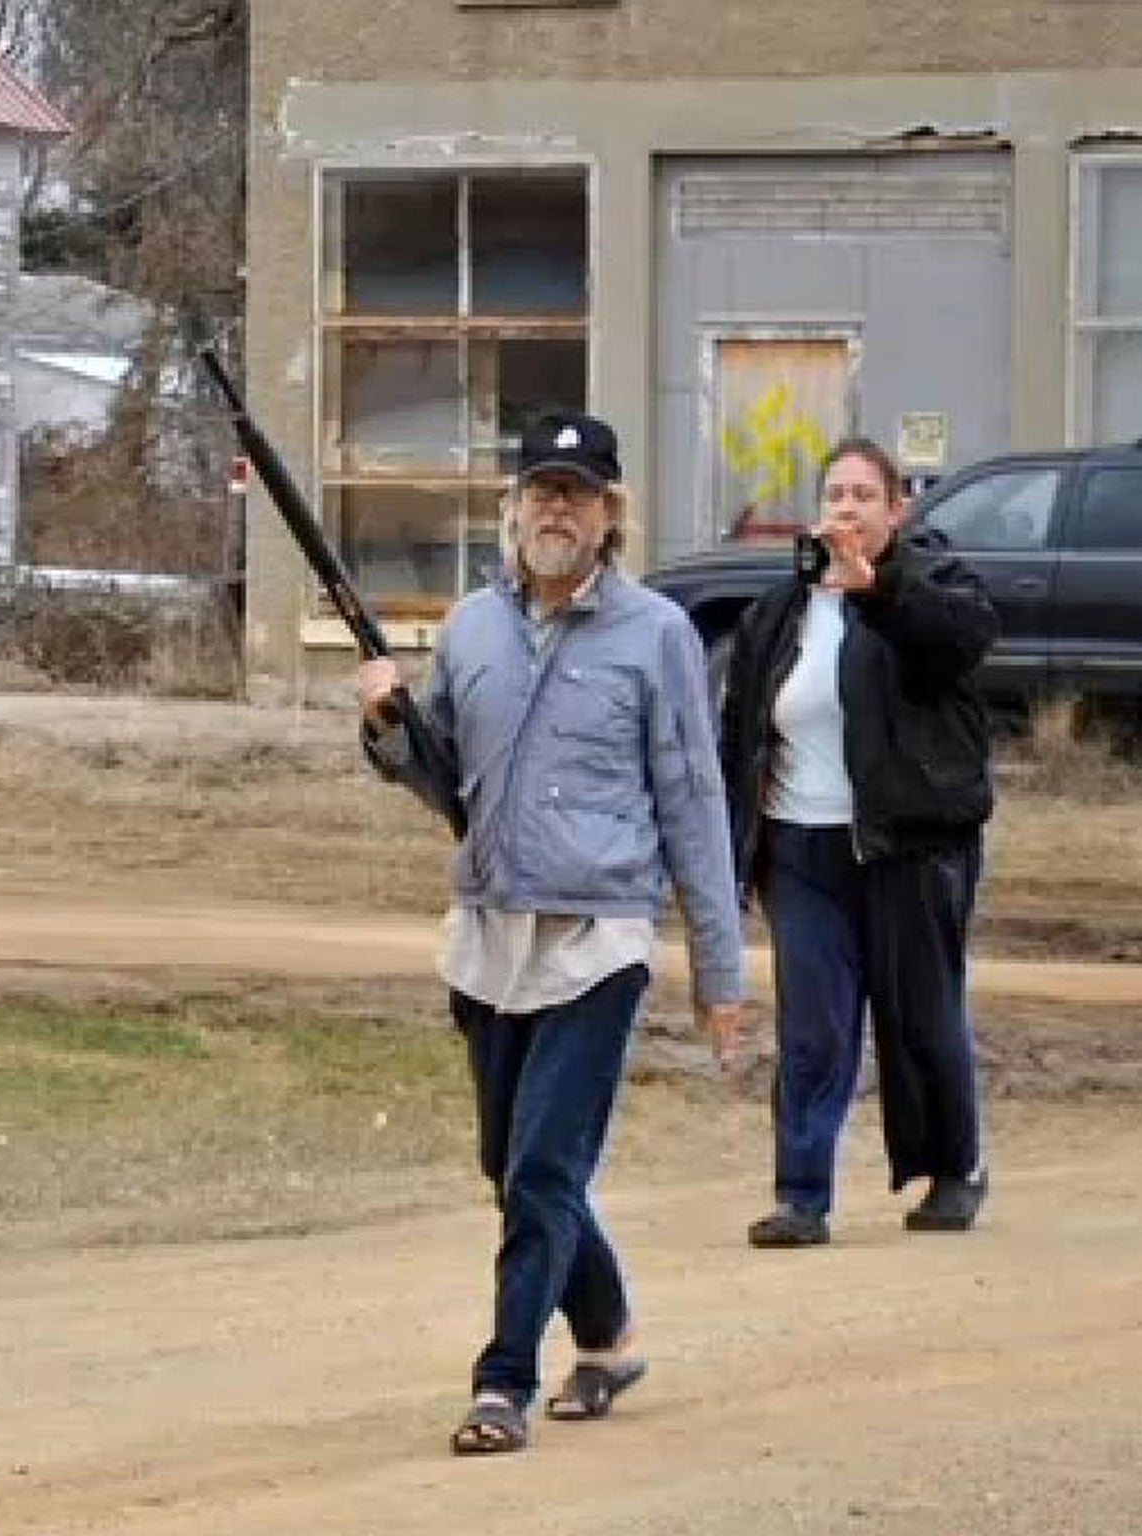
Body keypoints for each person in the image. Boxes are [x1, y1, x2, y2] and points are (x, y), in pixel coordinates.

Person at [359, 410, 745, 1457]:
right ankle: (609, 1334)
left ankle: (500, 1384)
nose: (555, 510)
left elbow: (692, 803)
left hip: (597, 941)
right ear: (512, 508)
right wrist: (387, 726)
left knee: (539, 1173)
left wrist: (719, 973)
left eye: (575, 494)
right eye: (540, 491)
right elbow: (439, 781)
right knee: (514, 1163)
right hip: (487, 929)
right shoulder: (470, 628)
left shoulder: (655, 633)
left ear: (608, 513)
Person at [719, 437, 997, 1249]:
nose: (846, 509)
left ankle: (954, 1168)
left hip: (908, 846)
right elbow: (741, 729)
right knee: (814, 1027)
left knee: (922, 1015)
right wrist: (743, 836)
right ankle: (802, 1195)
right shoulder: (780, 613)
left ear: (897, 511)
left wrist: (880, 590)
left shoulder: (934, 588)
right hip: (802, 850)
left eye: (864, 496)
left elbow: (958, 643)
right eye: (835, 495)